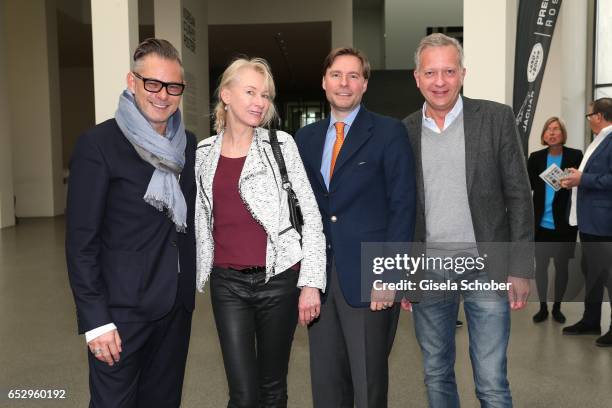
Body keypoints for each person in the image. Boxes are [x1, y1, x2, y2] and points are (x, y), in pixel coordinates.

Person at [402, 33, 533, 407]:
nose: (439, 81)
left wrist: (520, 266)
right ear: (417, 77)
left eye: (448, 71)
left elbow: (519, 195)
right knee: (436, 374)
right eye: (430, 72)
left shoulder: (495, 118)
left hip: (486, 267)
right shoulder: (405, 130)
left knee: (492, 380)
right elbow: (403, 208)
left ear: (463, 74)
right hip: (427, 270)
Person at [66, 38, 196, 407]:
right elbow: (81, 243)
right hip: (120, 313)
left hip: (174, 308)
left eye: (173, 87)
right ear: (132, 81)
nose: (162, 95)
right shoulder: (99, 144)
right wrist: (96, 321)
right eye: (152, 83)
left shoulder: (186, 143)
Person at [194, 57, 326, 407]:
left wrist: (311, 282)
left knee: (272, 388)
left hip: (279, 282)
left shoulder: (280, 146)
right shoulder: (204, 153)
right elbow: (199, 221)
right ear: (226, 94)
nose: (259, 102)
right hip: (227, 285)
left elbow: (311, 216)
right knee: (241, 393)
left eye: (265, 95)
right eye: (250, 92)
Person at [295, 47, 416, 408]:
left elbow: (402, 206)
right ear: (324, 81)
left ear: (364, 84)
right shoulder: (307, 138)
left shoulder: (388, 132)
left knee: (368, 383)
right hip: (321, 276)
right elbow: (303, 211)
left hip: (369, 274)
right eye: (336, 75)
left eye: (353, 76)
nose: (343, 83)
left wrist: (390, 275)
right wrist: (306, 279)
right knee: (326, 382)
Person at [561, 97, 612, 347]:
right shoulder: (599, 140)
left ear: (599, 116)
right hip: (590, 220)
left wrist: (584, 179)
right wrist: (577, 176)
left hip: (604, 222)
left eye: (590, 114)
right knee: (591, 272)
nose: (589, 118)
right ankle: (591, 320)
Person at [527, 117, 583, 323]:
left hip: (565, 224)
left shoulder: (575, 155)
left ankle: (557, 307)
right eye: (548, 129)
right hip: (541, 224)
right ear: (543, 135)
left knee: (562, 266)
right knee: (540, 266)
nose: (552, 133)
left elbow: (580, 185)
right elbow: (527, 186)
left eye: (556, 129)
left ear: (563, 134)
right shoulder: (535, 158)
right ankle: (542, 307)